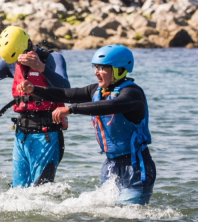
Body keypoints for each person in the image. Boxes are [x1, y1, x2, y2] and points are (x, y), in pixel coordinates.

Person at [16, 45, 155, 205]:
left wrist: (71, 109)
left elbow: (110, 106)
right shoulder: (96, 91)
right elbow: (66, 93)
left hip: (136, 167)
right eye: (96, 67)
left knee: (126, 214)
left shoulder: (132, 94)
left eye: (102, 68)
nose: (96, 72)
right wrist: (35, 89)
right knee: (108, 213)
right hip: (111, 166)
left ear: (119, 69)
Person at [0, 26, 70, 188]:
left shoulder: (53, 58)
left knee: (41, 194)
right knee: (18, 193)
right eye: (14, 60)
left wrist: (41, 68)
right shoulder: (11, 64)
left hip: (46, 136)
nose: (18, 62)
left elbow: (66, 89)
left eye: (20, 57)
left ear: (29, 44)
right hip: (21, 137)